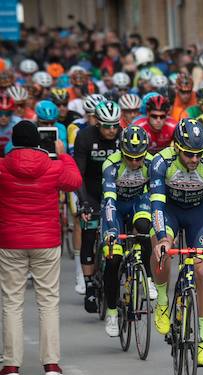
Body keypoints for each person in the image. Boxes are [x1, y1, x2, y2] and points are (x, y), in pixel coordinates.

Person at [0, 121, 81, 375]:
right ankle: (51, 363)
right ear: (38, 141)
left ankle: (11, 365)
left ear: (13, 141)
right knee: (48, 301)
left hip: (10, 240)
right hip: (46, 241)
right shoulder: (53, 165)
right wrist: (64, 153)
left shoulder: (2, 167)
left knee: (12, 301)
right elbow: (74, 182)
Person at [149, 118, 203, 367]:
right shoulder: (162, 162)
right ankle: (161, 299)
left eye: (197, 154)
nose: (194, 159)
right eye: (188, 154)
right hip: (170, 212)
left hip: (198, 215)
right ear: (176, 147)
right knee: (160, 249)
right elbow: (157, 205)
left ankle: (202, 339)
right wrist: (162, 239)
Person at [99, 125, 155, 337]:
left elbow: (156, 197)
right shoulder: (111, 164)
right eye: (129, 158)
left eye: (138, 158)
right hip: (116, 206)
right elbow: (110, 201)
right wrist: (112, 231)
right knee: (113, 259)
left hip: (138, 202)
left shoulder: (151, 164)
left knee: (143, 228)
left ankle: (148, 278)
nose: (134, 163)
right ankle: (112, 312)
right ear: (121, 152)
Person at [74, 100, 121, 314]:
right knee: (89, 232)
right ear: (97, 123)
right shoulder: (85, 137)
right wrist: (84, 203)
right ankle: (90, 283)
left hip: (117, 192)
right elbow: (79, 175)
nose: (112, 130)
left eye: (115, 125)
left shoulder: (123, 136)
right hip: (91, 192)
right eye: (107, 126)